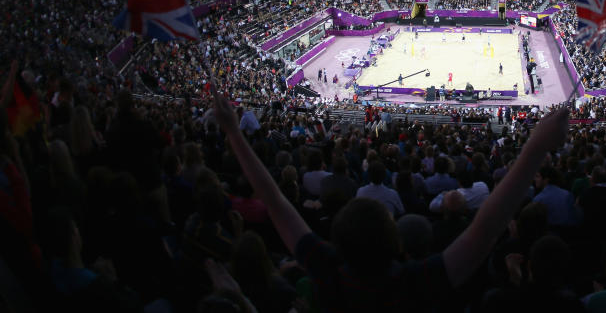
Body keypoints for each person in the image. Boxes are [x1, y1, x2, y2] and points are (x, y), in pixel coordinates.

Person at [210, 82, 571, 310]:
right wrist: (537, 145)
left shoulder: (327, 273)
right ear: (395, 240)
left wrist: (232, 132)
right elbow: (486, 228)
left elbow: (275, 202)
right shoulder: (414, 284)